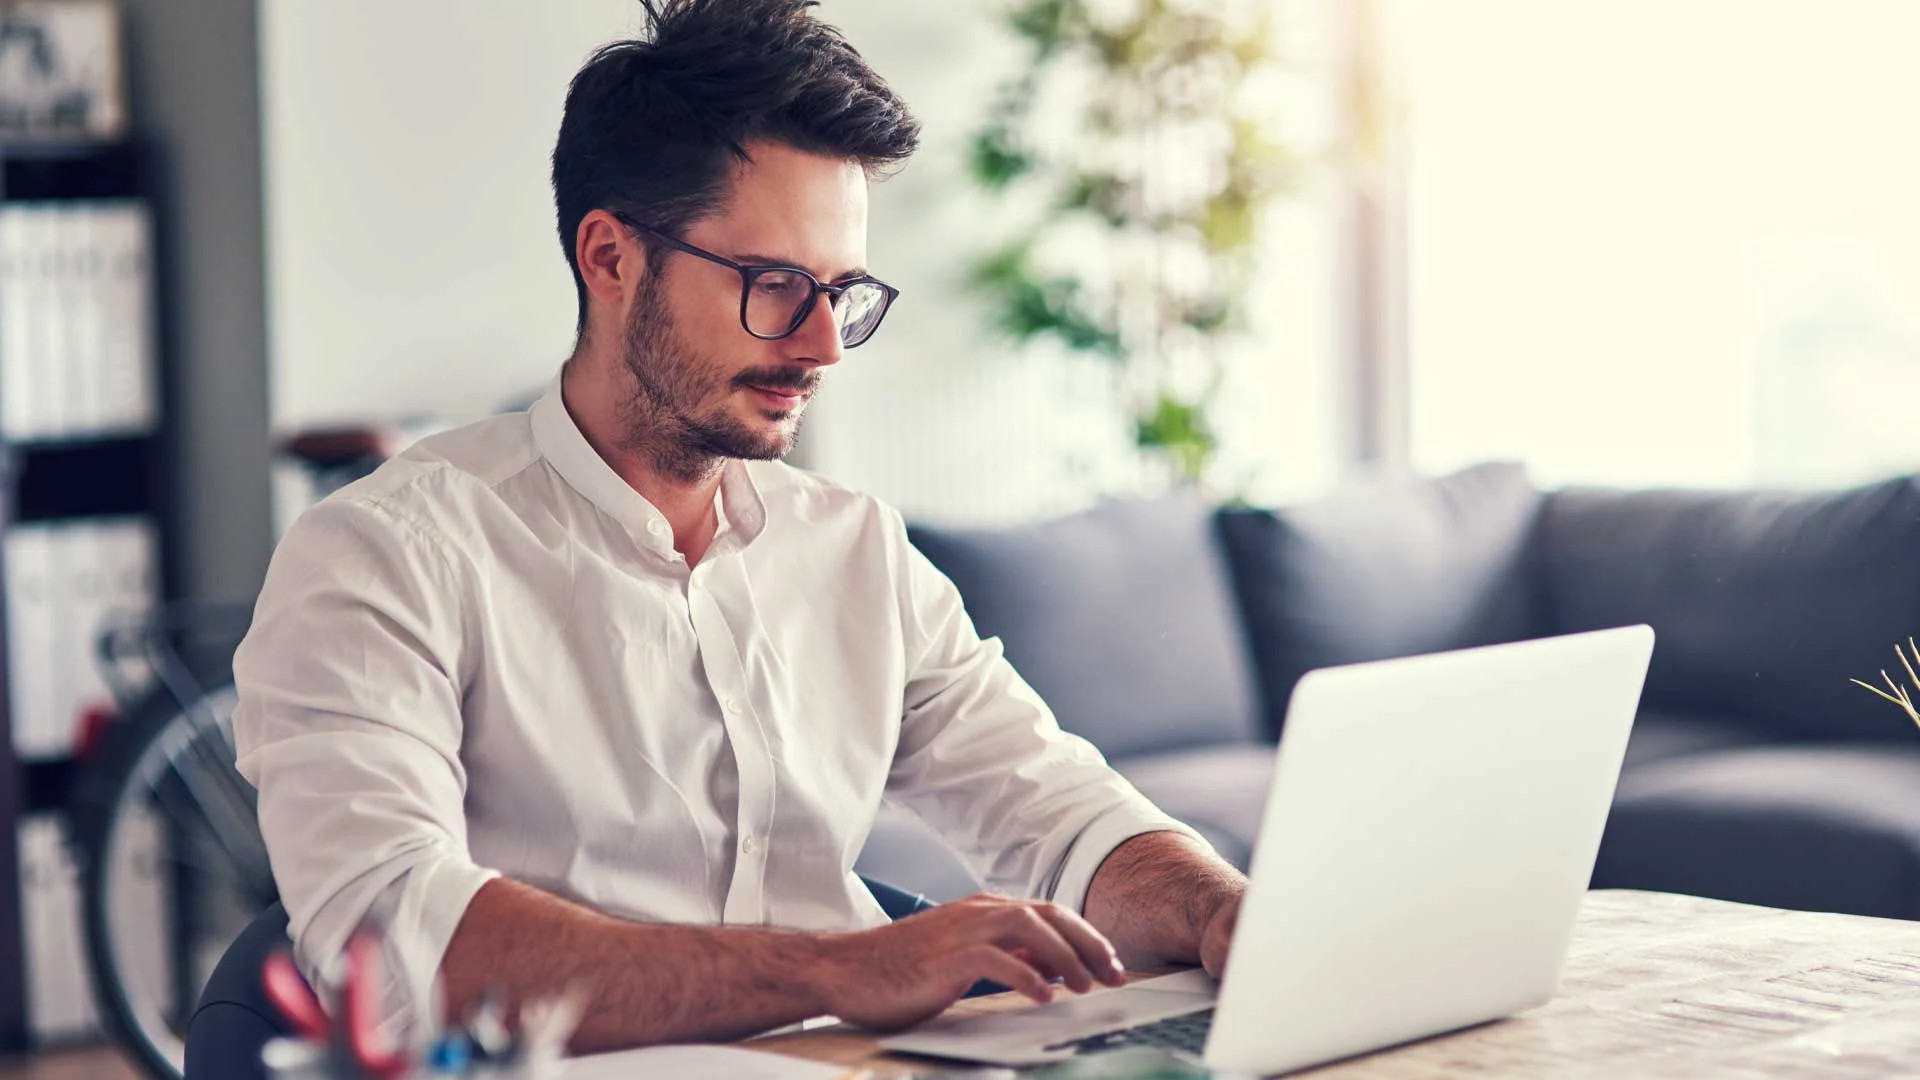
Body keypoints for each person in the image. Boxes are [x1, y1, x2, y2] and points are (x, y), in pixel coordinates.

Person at [232, 0, 1246, 1054]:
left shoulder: (855, 552)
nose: (824, 345)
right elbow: (405, 954)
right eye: (775, 286)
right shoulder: (383, 558)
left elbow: (1060, 814)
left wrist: (1222, 911)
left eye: (842, 292)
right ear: (612, 258)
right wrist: (848, 967)